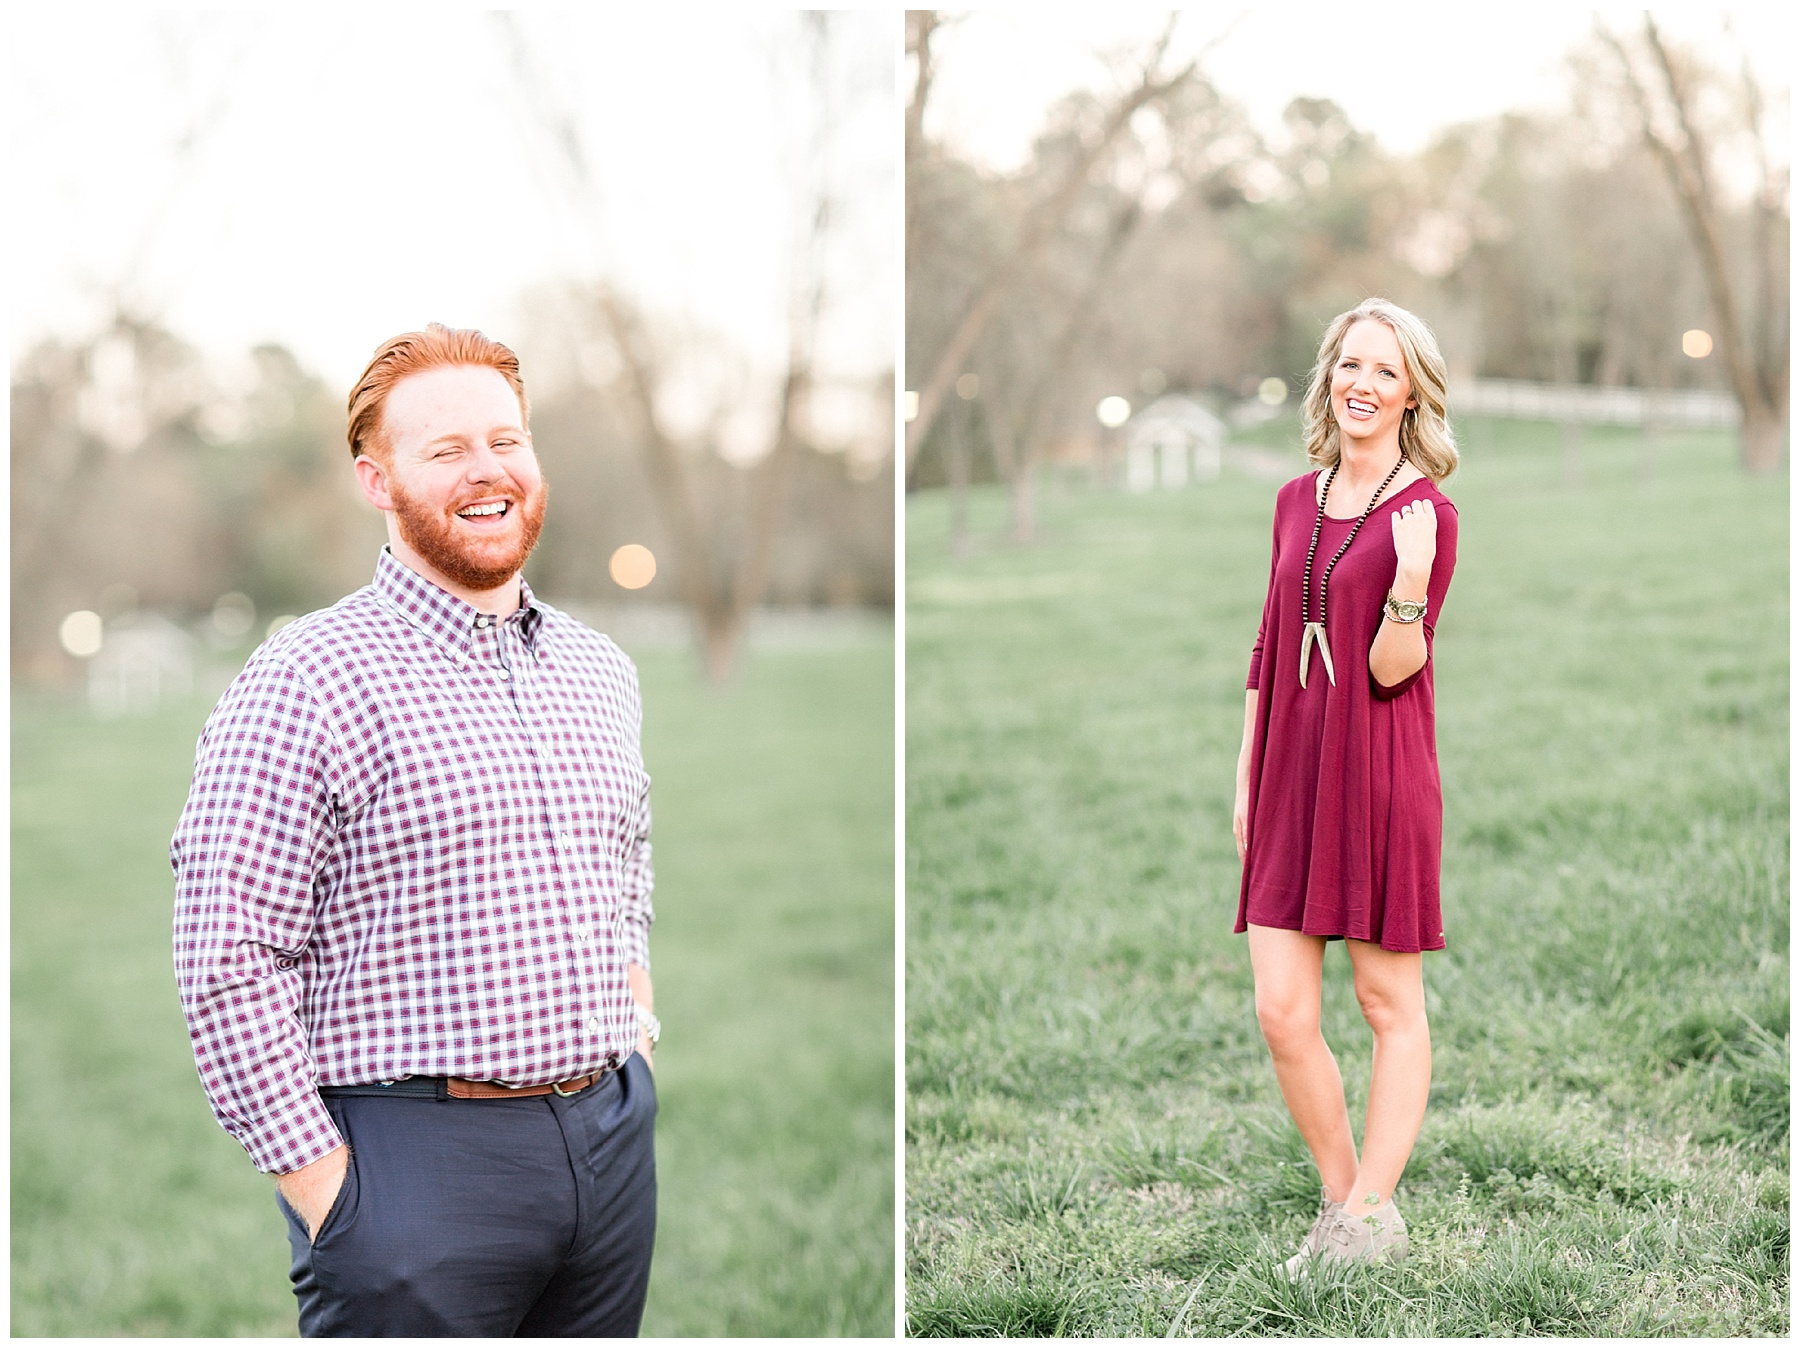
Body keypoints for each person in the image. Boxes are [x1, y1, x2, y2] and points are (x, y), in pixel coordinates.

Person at [172, 323, 661, 1336]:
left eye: (506, 439)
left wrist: (638, 1034)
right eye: (444, 451)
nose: (487, 470)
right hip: (412, 1173)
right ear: (377, 480)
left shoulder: (599, 670)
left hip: (610, 1145)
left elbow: (628, 863)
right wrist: (336, 1199)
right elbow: (227, 954)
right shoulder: (307, 679)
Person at [1231, 298, 1460, 1277]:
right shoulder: (1293, 498)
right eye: (1350, 365)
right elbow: (1269, 640)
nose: (1363, 384)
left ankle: (1371, 1209)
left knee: (1383, 1002)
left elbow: (1393, 669)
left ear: (1412, 392)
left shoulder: (1428, 514)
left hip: (1377, 774)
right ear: (1330, 377)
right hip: (1289, 772)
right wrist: (1247, 773)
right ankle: (1343, 1203)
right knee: (1282, 1010)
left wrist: (1410, 581)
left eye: (1385, 369)